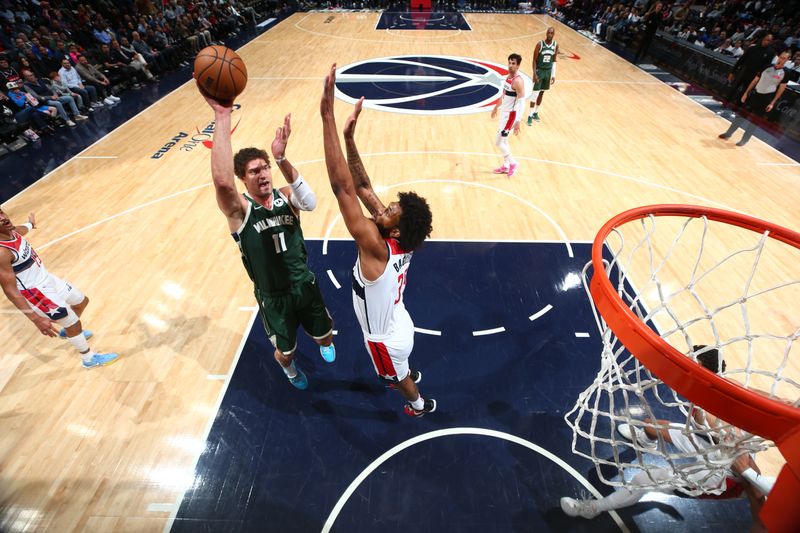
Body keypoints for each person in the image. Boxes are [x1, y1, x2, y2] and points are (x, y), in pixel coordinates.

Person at [200, 86, 335, 390]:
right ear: (242, 179)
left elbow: (311, 203)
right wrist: (222, 118)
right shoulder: (240, 211)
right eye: (253, 171)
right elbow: (222, 184)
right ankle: (289, 372)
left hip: (304, 285)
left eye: (265, 168)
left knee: (324, 336)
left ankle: (322, 341)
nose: (262, 174)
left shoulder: (286, 195)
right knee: (285, 354)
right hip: (273, 298)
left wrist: (283, 158)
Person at [321, 64, 436, 417]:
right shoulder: (404, 240)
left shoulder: (375, 245)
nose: (382, 209)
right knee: (401, 362)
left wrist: (326, 115)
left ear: (394, 230)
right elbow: (364, 188)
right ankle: (406, 369)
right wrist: (350, 139)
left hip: (384, 338)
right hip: (400, 318)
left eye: (389, 211)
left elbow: (343, 188)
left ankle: (416, 403)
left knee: (395, 378)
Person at [560, 346, 776, 530]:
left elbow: (753, 486)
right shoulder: (718, 388)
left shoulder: (728, 433)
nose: (684, 367)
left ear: (703, 371)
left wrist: (760, 525)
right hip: (706, 443)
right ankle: (644, 441)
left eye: (691, 364)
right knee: (655, 427)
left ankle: (593, 509)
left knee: (643, 480)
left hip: (717, 476)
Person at [0, 207, 119, 368]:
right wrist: (36, 319)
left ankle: (68, 330)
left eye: (0, 213)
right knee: (73, 322)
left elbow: (20, 229)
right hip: (36, 293)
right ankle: (89, 358)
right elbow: (10, 291)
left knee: (81, 301)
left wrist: (30, 224)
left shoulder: (12, 231)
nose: (2, 218)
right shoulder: (2, 252)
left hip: (48, 280)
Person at [719, 50, 792, 146]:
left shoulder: (786, 73)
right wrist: (746, 93)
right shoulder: (767, 67)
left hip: (766, 98)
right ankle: (729, 133)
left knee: (755, 121)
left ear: (788, 60)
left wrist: (772, 102)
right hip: (755, 94)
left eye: (784, 58)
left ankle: (745, 140)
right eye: (780, 57)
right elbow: (755, 80)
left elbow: (781, 89)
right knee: (741, 115)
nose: (781, 59)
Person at [491, 53, 525, 178]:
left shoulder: (518, 81)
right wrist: (496, 107)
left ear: (518, 65)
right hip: (503, 113)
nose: (510, 66)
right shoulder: (508, 78)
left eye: (513, 64)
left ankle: (513, 163)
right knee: (504, 141)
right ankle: (506, 166)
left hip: (510, 116)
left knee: (498, 142)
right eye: (509, 63)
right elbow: (504, 95)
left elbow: (522, 102)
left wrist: (518, 121)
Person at [727, 32, 774, 103]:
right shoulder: (752, 48)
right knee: (733, 88)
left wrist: (759, 77)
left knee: (744, 93)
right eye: (766, 39)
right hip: (744, 71)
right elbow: (741, 60)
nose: (767, 42)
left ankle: (736, 108)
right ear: (763, 39)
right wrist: (732, 72)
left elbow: (766, 67)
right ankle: (725, 102)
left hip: (753, 76)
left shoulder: (770, 53)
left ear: (771, 42)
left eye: (769, 41)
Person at [527, 27, 558, 125]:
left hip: (548, 72)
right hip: (540, 71)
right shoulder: (539, 44)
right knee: (535, 94)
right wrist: (534, 73)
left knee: (541, 93)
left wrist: (553, 75)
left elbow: (554, 60)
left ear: (553, 34)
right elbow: (534, 60)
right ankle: (529, 115)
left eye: (551, 33)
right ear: (546, 33)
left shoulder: (555, 45)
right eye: (548, 32)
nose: (549, 34)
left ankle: (536, 112)